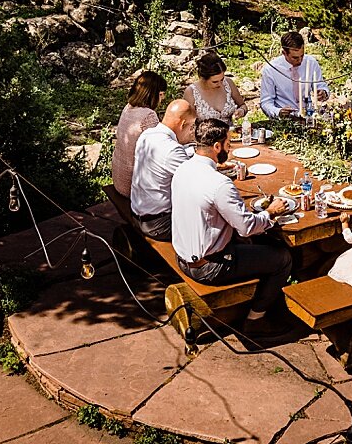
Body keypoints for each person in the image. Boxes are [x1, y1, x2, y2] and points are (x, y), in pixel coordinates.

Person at [170, 117, 296, 329]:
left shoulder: (183, 169)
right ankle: (256, 320)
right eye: (228, 144)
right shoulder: (219, 184)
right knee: (282, 258)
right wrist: (270, 213)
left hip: (182, 256)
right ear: (216, 146)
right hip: (209, 266)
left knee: (252, 244)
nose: (228, 149)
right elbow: (246, 228)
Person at [130, 99, 196, 240]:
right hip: (158, 224)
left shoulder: (147, 135)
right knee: (216, 222)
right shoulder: (171, 149)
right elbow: (197, 183)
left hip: (138, 212)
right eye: (191, 127)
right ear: (183, 124)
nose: (192, 132)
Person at [111, 70, 168, 199]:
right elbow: (159, 151)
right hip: (132, 185)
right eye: (161, 94)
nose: (162, 99)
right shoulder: (148, 115)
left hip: (119, 177)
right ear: (153, 94)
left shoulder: (128, 107)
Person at [258, 30, 329, 118]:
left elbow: (321, 85)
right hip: (284, 120)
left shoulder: (311, 62)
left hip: (308, 115)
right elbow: (265, 102)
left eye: (302, 56)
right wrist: (278, 111)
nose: (300, 60)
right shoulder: (271, 69)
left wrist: (323, 92)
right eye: (295, 57)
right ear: (284, 53)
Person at [184, 51, 246, 123]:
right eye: (215, 82)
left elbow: (243, 105)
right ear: (203, 78)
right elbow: (188, 123)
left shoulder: (228, 83)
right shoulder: (191, 92)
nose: (220, 84)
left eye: (222, 79)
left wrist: (242, 111)